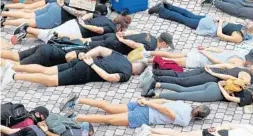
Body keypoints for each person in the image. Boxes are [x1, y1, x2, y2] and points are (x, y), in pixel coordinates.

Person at [1, 32, 174, 67]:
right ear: (163, 43)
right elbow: (135, 46)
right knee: (17, 65)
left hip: (111, 38)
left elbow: (131, 34)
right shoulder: (150, 45)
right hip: (112, 45)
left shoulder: (147, 34)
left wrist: (121, 36)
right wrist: (124, 41)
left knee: (15, 55)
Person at [1, 47, 146, 88]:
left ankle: (13, 67)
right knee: (50, 80)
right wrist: (92, 64)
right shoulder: (126, 74)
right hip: (84, 72)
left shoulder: (121, 56)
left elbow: (100, 49)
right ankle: (14, 76)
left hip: (80, 62)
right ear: (136, 74)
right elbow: (108, 77)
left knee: (47, 70)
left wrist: (85, 56)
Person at [60, 94, 211, 128]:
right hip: (146, 114)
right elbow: (165, 110)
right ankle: (77, 118)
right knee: (109, 120)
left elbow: (164, 101)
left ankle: (78, 100)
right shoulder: (185, 121)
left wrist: (146, 101)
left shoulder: (184, 104)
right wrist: (149, 103)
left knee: (109, 107)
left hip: (144, 105)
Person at [148, 1, 253, 44]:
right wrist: (220, 24)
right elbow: (220, 34)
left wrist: (221, 21)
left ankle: (168, 6)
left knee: (189, 14)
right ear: (249, 31)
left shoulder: (242, 27)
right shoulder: (238, 37)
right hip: (209, 25)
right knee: (184, 20)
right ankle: (162, 10)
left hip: (210, 20)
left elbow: (230, 23)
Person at [10, 11, 131, 44]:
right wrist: (86, 25)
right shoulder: (110, 28)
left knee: (50, 32)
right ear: (120, 27)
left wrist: (83, 19)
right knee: (50, 35)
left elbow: (90, 14)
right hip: (78, 30)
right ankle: (27, 29)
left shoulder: (106, 18)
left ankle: (24, 35)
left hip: (74, 23)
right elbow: (99, 30)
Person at [2, 1, 107, 31]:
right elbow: (75, 12)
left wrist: (61, 4)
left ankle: (4, 13)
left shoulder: (87, 1)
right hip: (57, 16)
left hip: (54, 5)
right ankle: (4, 22)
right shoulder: (88, 12)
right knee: (31, 22)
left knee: (28, 14)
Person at [142, 47, 253, 69]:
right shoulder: (239, 63)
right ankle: (146, 61)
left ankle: (148, 53)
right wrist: (206, 53)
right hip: (200, 60)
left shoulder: (239, 53)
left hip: (199, 54)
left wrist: (207, 49)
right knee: (172, 61)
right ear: (250, 61)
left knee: (172, 55)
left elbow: (221, 50)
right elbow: (217, 62)